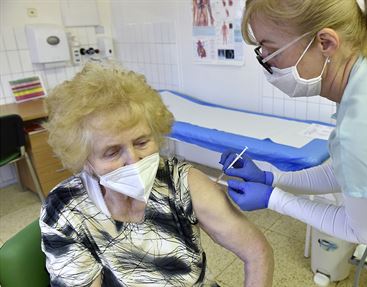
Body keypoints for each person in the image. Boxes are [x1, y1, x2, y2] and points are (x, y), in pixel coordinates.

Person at [218, 0, 367, 286]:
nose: (267, 63)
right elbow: (347, 172)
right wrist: (273, 179)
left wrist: (274, 200)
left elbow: (363, 231)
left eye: (270, 49)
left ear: (325, 42)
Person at [40, 62, 273, 287]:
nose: (133, 160)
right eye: (112, 152)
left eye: (142, 142)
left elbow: (257, 253)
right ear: (85, 160)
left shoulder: (183, 183)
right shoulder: (67, 210)